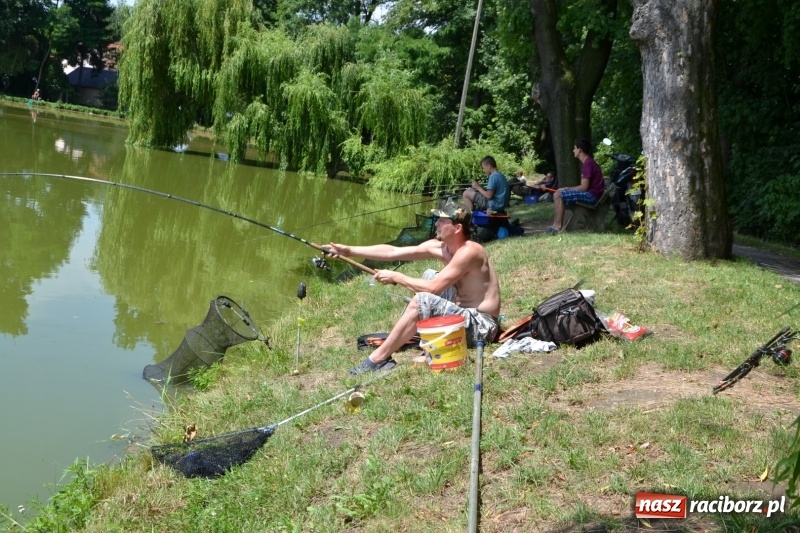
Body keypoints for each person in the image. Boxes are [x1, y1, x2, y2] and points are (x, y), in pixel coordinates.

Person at [328, 200, 501, 375]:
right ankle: (408, 335)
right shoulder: (441, 247)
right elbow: (392, 252)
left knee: (422, 299)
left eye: (442, 221)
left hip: (482, 327)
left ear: (457, 228)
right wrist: (348, 251)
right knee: (430, 274)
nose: (437, 223)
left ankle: (379, 359)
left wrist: (397, 277)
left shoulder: (469, 251)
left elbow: (433, 289)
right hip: (462, 315)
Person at [544, 139, 605, 233]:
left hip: (592, 196)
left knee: (558, 194)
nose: (573, 151)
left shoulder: (588, 164)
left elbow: (584, 187)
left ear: (580, 150)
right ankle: (555, 225)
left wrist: (566, 189)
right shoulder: (588, 163)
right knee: (558, 193)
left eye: (574, 148)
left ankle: (558, 227)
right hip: (592, 194)